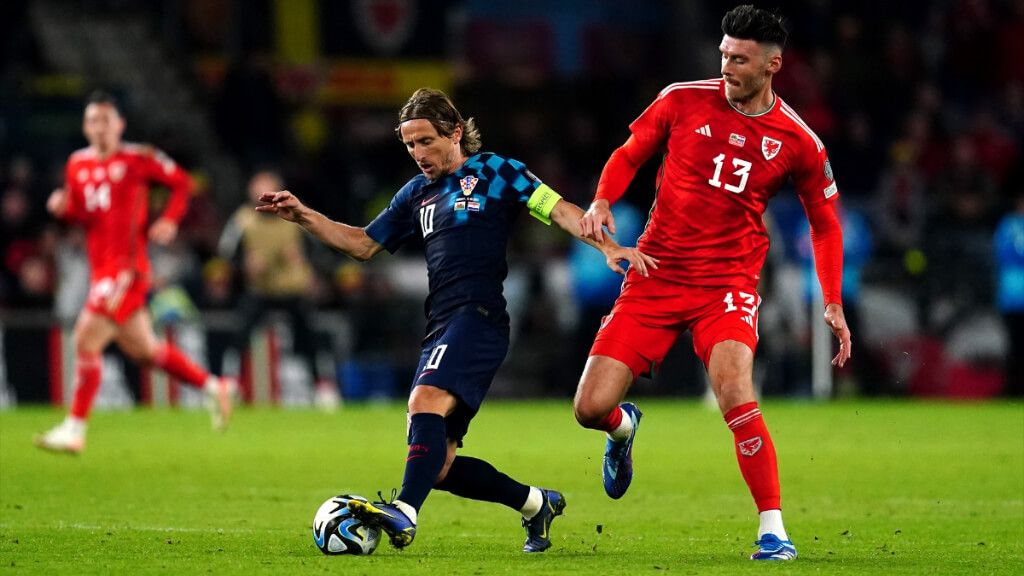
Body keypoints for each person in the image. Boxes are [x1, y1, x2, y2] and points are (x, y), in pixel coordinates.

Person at [257, 87, 656, 552]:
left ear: (455, 132)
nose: (417, 153)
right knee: (438, 466)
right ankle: (535, 504)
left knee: (424, 401)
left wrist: (608, 246)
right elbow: (363, 245)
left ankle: (404, 512)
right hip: (441, 324)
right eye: (410, 144)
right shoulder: (415, 194)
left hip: (479, 316)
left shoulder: (496, 171)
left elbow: (561, 210)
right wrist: (303, 215)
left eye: (426, 141)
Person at [572, 5, 852, 561]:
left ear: (772, 65)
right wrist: (603, 199)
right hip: (654, 274)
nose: (726, 67)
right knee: (588, 408)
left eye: (740, 59)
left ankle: (773, 530)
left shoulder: (799, 141)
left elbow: (825, 225)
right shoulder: (681, 99)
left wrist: (833, 301)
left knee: (734, 391)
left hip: (727, 284)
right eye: (724, 55)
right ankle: (623, 428)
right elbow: (629, 155)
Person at [35, 91, 235, 454]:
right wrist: (63, 209)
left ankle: (74, 429)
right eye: (93, 121)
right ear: (85, 127)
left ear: (120, 125)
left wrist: (170, 220)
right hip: (101, 269)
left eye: (106, 120)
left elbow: (182, 182)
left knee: (84, 339)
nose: (99, 127)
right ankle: (214, 387)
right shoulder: (76, 164)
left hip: (126, 269)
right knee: (147, 352)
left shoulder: (138, 158)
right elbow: (85, 216)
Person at [217, 169, 337, 402]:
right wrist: (244, 265)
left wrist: (302, 260)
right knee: (239, 335)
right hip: (259, 289)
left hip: (293, 289)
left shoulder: (294, 215)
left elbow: (322, 249)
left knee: (309, 337)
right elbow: (225, 254)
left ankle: (322, 386)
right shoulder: (243, 219)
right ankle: (229, 383)